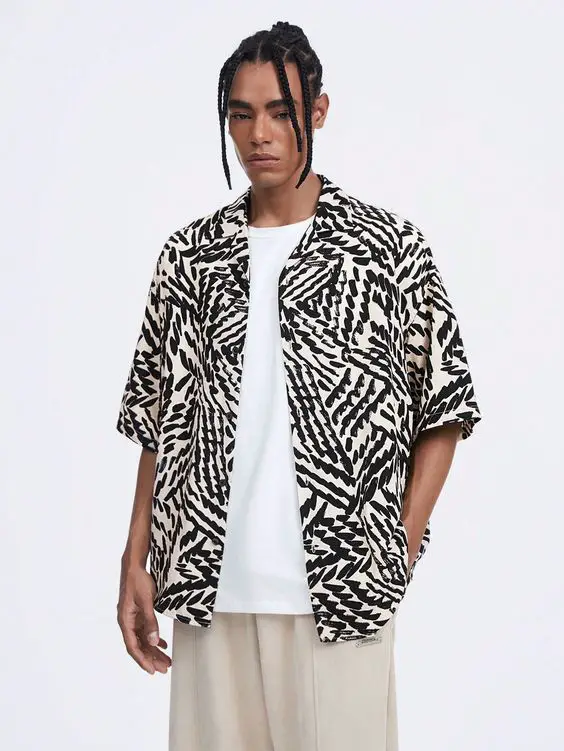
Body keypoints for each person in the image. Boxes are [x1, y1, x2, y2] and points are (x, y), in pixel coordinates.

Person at [115, 20, 482, 751]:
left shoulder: (385, 250)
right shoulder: (190, 257)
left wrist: (398, 545)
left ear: (317, 111)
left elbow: (445, 406)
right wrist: (135, 558)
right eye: (242, 114)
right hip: (208, 588)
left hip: (343, 591)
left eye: (280, 112)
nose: (259, 134)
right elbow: (156, 421)